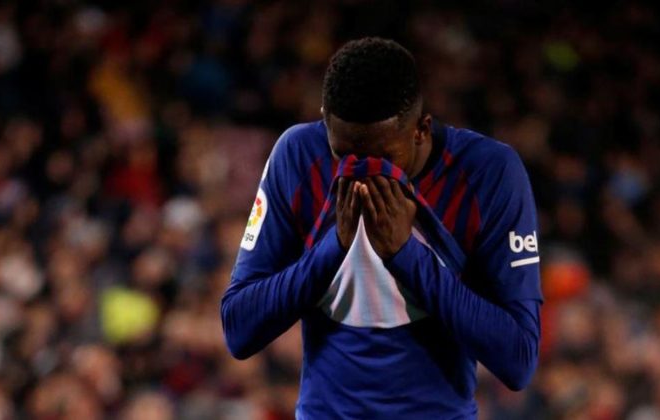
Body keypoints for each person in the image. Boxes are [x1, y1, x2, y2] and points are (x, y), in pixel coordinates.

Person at [221, 37, 543, 418]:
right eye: (343, 153)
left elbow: (518, 360)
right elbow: (239, 329)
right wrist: (333, 247)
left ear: (421, 129)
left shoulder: (488, 172)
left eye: (383, 157)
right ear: (325, 120)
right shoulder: (297, 155)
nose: (362, 171)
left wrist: (407, 254)